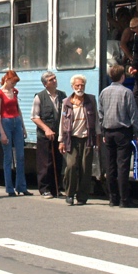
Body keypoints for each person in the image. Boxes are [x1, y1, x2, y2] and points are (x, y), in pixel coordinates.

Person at [99, 64, 138, 208]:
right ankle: (125, 199)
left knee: (110, 167)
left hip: (108, 131)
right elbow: (133, 114)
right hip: (123, 132)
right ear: (122, 76)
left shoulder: (104, 92)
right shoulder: (127, 93)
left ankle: (113, 198)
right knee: (122, 166)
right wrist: (136, 132)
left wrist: (103, 131)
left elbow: (101, 114)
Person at [59, 74, 98, 205]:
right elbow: (62, 122)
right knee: (71, 166)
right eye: (77, 85)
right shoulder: (66, 102)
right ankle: (69, 194)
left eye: (82, 85)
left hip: (87, 139)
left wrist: (97, 137)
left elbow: (96, 120)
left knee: (85, 168)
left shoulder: (91, 100)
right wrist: (61, 140)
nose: (80, 88)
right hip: (72, 139)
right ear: (72, 86)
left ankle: (82, 196)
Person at [0, 70, 30, 196]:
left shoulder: (14, 92)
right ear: (7, 80)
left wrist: (23, 127)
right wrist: (2, 132)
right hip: (6, 122)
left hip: (16, 121)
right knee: (8, 157)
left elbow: (18, 109)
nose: (14, 85)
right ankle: (9, 188)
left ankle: (21, 186)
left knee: (20, 156)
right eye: (13, 82)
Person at [31, 71, 66, 198]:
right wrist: (46, 129)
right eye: (51, 80)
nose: (55, 81)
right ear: (46, 84)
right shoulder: (39, 97)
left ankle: (56, 189)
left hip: (59, 134)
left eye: (55, 78)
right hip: (45, 135)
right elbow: (35, 117)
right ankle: (44, 189)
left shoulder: (62, 95)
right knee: (45, 163)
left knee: (58, 161)